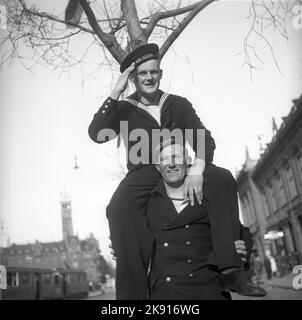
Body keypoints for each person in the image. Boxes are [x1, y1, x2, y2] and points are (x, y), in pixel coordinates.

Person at [88, 43, 264, 299]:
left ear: (161, 73)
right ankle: (131, 298)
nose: (149, 77)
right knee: (117, 207)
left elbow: (205, 140)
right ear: (133, 78)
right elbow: (97, 133)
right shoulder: (124, 108)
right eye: (142, 73)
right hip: (143, 173)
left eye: (154, 72)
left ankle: (231, 270)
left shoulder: (178, 104)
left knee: (222, 178)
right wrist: (116, 90)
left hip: (180, 167)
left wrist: (198, 170)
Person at [146, 138, 266, 299]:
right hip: (167, 294)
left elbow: (239, 230)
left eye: (176, 157)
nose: (171, 163)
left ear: (188, 161)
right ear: (157, 167)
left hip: (209, 289)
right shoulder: (148, 203)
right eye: (164, 159)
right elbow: (136, 237)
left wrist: (241, 252)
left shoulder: (207, 195)